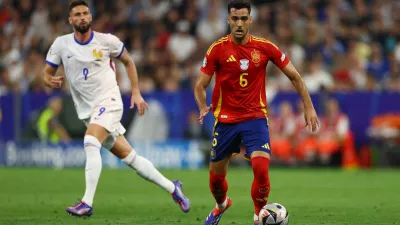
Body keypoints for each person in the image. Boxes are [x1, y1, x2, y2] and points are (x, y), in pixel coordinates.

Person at [43, 0, 190, 217]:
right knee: (131, 158)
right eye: (77, 14)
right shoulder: (61, 45)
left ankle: (87, 203)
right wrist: (49, 81)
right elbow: (46, 73)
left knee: (91, 142)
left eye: (85, 13)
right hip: (88, 111)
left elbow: (129, 61)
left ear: (90, 17)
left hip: (109, 102)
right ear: (70, 19)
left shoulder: (107, 41)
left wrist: (136, 92)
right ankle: (173, 187)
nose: (82, 17)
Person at [194, 1, 319, 224]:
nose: (239, 23)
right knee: (215, 180)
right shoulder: (217, 49)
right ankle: (221, 205)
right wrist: (203, 106)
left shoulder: (264, 47)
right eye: (235, 19)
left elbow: (295, 76)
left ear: (250, 20)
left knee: (261, 169)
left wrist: (308, 106)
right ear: (228, 20)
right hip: (225, 122)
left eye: (244, 18)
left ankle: (258, 216)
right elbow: (200, 85)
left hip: (255, 118)